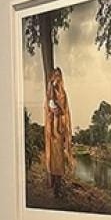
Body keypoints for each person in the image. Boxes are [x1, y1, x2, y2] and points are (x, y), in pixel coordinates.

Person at [44, 68, 73, 197]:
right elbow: (50, 107)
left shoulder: (63, 93)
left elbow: (64, 110)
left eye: (59, 76)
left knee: (60, 161)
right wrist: (54, 109)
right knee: (54, 161)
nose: (57, 78)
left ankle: (58, 188)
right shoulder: (51, 91)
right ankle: (56, 189)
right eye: (55, 76)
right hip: (53, 132)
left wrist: (60, 112)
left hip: (60, 130)